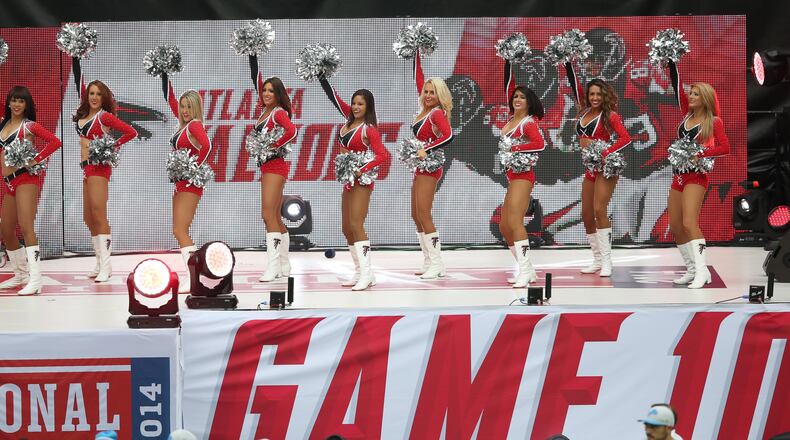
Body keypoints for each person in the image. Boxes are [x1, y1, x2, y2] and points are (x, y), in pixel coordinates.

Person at [320, 77, 390, 290]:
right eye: (354, 103)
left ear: (368, 106)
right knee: (346, 228)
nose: (356, 107)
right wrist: (322, 76)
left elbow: (382, 155)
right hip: (349, 181)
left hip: (362, 181)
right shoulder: (348, 121)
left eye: (361, 104)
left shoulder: (369, 130)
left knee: (357, 225)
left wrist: (362, 169)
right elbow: (334, 97)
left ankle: (368, 273)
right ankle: (360, 271)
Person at [664, 61, 729, 289]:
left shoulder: (714, 122)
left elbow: (725, 147)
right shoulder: (685, 116)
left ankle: (702, 272)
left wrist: (700, 153)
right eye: (690, 93)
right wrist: (671, 63)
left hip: (696, 177)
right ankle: (692, 270)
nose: (690, 96)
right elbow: (676, 85)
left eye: (695, 94)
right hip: (678, 175)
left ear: (705, 99)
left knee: (690, 222)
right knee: (675, 225)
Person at [563, 61, 631, 276]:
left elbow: (625, 138)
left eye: (598, 95)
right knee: (586, 214)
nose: (594, 98)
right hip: (590, 167)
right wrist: (567, 62)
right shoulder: (583, 112)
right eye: (591, 94)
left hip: (606, 167)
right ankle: (597, 259)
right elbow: (574, 85)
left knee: (600, 210)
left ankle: (608, 261)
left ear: (605, 96)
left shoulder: (610, 115)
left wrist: (605, 152)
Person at [72, 74, 138, 282]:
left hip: (99, 168)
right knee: (88, 217)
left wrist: (110, 147)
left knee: (99, 215)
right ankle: (99, 262)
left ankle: (107, 267)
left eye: (98, 94)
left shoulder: (104, 117)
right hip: (86, 169)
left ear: (103, 98)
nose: (94, 97)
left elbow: (131, 132)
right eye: (91, 93)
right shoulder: (83, 115)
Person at [0, 86, 62, 295]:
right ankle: (21, 274)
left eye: (21, 101)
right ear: (8, 103)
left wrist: (36, 159)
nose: (17, 104)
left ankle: (36, 279)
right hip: (8, 182)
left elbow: (55, 142)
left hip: (26, 179)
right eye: (14, 100)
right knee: (6, 230)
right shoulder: (4, 123)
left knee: (26, 227)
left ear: (26, 105)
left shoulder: (29, 126)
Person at [246, 55, 298, 282]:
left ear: (278, 95)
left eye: (271, 91)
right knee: (274, 215)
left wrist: (272, 145)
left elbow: (292, 131)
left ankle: (273, 265)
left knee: (267, 214)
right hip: (267, 167)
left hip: (276, 166)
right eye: (264, 90)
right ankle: (284, 264)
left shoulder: (278, 112)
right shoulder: (263, 112)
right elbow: (255, 78)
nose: (266, 93)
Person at [160, 77, 213, 292]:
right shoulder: (183, 126)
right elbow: (170, 99)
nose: (184, 110)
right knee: (178, 229)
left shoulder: (195, 125)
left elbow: (207, 146)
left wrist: (194, 168)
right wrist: (164, 76)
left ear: (196, 108)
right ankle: (193, 275)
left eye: (188, 106)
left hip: (191, 183)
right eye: (182, 106)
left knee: (181, 229)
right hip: (181, 183)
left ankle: (194, 276)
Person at [499, 59, 545, 287]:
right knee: (504, 226)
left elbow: (540, 144)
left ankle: (525, 271)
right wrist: (507, 62)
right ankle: (528, 269)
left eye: (522, 97)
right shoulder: (511, 120)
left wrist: (514, 147)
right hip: (511, 177)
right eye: (515, 96)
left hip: (523, 177)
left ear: (529, 103)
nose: (517, 99)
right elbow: (508, 84)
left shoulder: (528, 123)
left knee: (515, 222)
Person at [410, 52, 454, 279]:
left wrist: (427, 149)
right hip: (420, 166)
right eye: (426, 91)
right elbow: (419, 78)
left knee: (424, 214)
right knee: (415, 214)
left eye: (432, 92)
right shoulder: (425, 111)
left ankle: (438, 263)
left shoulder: (437, 113)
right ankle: (428, 260)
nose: (427, 94)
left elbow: (448, 136)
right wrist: (416, 53)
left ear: (440, 95)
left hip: (430, 166)